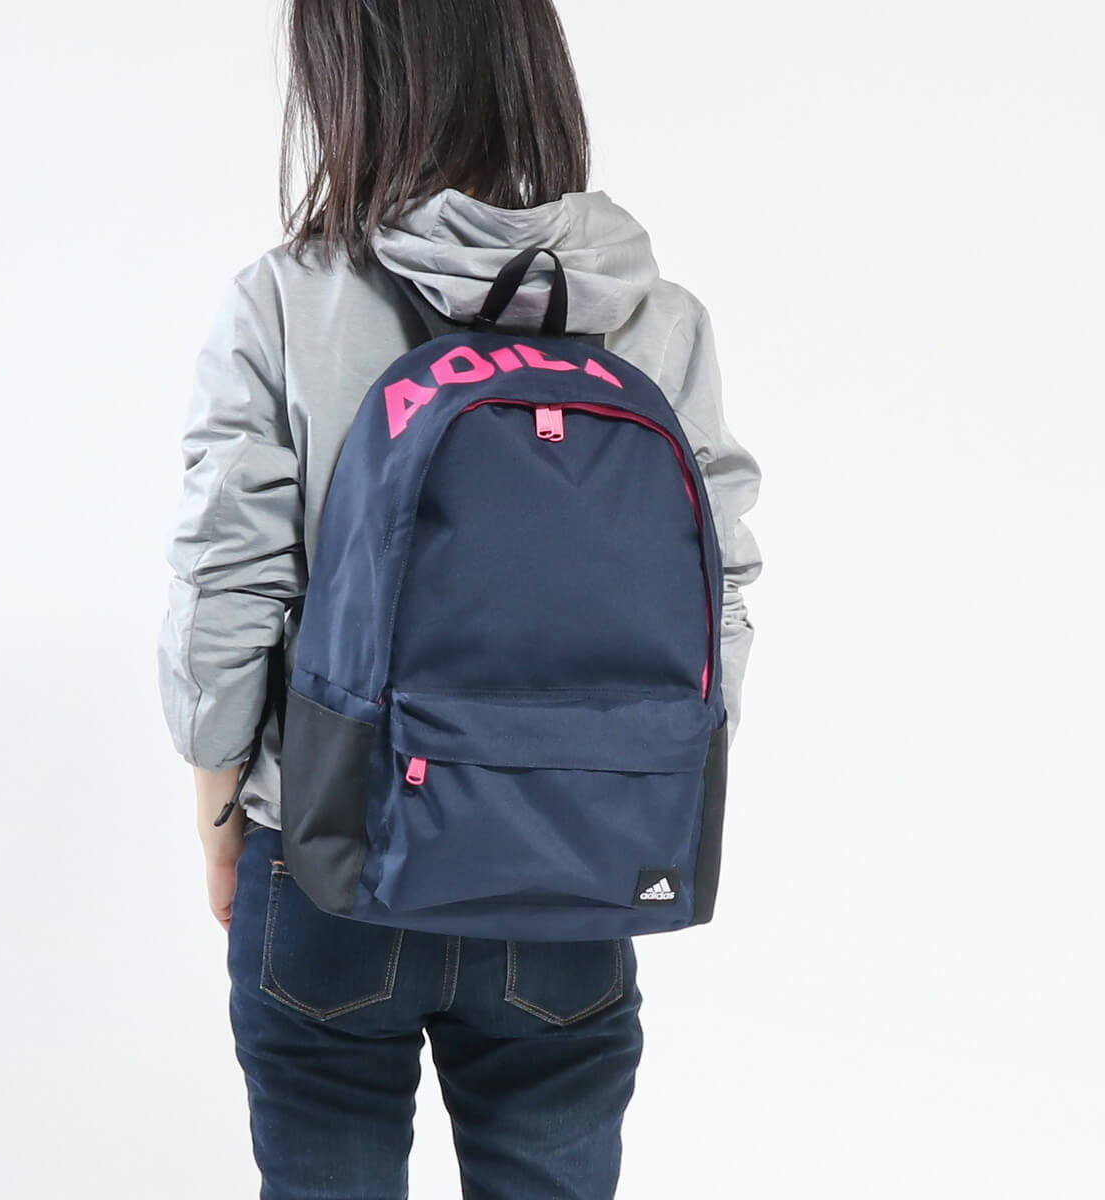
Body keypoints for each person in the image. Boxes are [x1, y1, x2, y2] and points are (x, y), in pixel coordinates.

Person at [156, 1, 762, 1196]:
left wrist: (224, 812)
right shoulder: (654, 314)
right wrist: (625, 790)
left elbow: (227, 583)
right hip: (575, 862)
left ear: (347, 78)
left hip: (331, 853)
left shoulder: (287, 297)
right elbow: (721, 594)